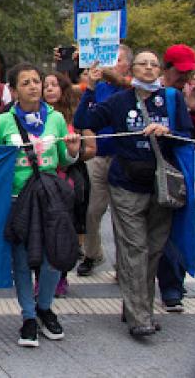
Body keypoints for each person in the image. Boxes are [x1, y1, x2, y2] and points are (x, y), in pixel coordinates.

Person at [75, 50, 193, 337]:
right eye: (144, 64)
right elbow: (84, 120)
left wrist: (167, 129)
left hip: (161, 184)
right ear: (134, 69)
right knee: (134, 250)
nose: (149, 69)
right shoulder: (119, 101)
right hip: (125, 183)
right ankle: (141, 317)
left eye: (154, 64)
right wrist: (90, 89)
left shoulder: (171, 99)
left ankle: (136, 308)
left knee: (153, 249)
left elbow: (188, 135)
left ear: (159, 70)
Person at [0, 63, 80, 347]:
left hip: (50, 198)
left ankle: (45, 308)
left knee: (53, 255)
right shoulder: (4, 121)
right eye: (26, 82)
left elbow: (64, 160)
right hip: (19, 199)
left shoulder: (56, 119)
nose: (33, 86)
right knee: (21, 259)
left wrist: (73, 150)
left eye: (37, 81)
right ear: (14, 90)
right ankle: (28, 316)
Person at [74, 44, 133, 277]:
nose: (110, 64)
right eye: (109, 59)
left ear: (127, 64)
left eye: (116, 59)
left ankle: (124, 263)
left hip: (123, 159)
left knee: (124, 215)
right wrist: (90, 87)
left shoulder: (130, 89)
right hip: (98, 155)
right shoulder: (99, 87)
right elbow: (82, 119)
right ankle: (93, 253)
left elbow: (121, 83)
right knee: (91, 210)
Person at [157, 44, 195, 312]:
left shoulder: (193, 92)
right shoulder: (154, 92)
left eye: (188, 72)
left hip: (187, 167)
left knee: (185, 224)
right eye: (180, 71)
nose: (184, 77)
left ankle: (174, 283)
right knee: (160, 228)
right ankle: (166, 282)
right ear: (167, 69)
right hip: (156, 168)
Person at [43, 72, 97, 298]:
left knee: (66, 228)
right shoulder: (33, 117)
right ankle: (42, 277)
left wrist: (71, 152)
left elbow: (92, 149)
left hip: (70, 177)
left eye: (54, 85)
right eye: (45, 85)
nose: (49, 89)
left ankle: (61, 276)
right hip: (42, 178)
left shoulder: (77, 116)